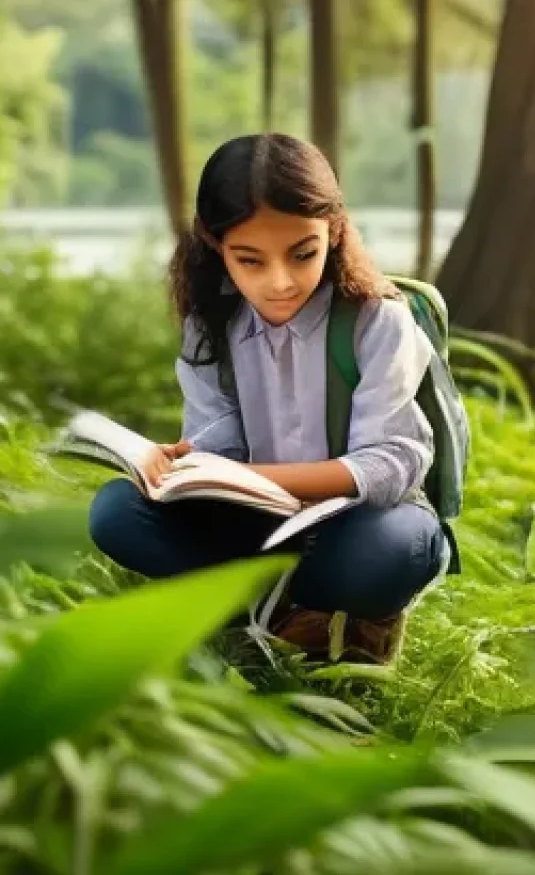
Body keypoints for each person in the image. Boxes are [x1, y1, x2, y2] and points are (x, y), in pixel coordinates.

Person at [88, 133, 453, 664]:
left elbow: (391, 463)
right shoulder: (211, 321)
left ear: (333, 230)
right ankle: (265, 613)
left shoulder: (376, 318)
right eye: (250, 260)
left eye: (302, 254)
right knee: (117, 511)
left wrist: (265, 478)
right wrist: (187, 466)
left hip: (356, 522)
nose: (280, 282)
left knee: (396, 547)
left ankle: (335, 615)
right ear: (217, 246)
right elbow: (222, 441)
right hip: (257, 521)